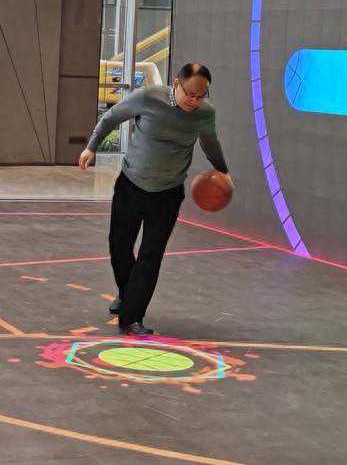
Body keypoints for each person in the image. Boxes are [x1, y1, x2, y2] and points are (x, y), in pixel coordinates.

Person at [79, 63, 233, 336]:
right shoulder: (148, 97)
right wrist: (92, 147)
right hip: (131, 186)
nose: (195, 101)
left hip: (168, 194)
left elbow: (210, 142)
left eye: (201, 96)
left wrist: (222, 170)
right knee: (119, 246)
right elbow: (111, 118)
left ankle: (131, 318)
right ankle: (128, 295)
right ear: (177, 83)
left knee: (151, 255)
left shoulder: (204, 114)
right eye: (191, 94)